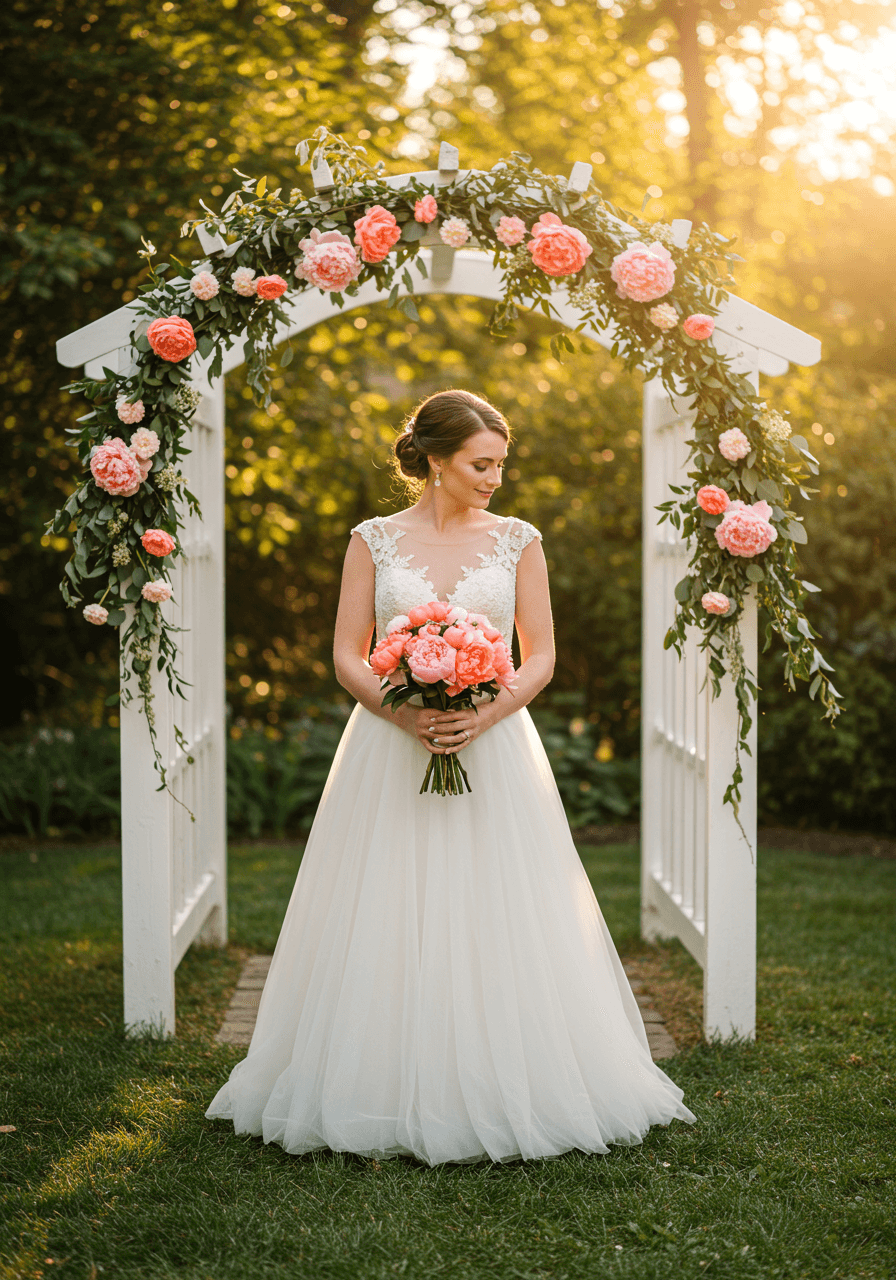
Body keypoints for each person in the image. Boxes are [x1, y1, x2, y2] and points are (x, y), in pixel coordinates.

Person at [206, 388, 696, 1164]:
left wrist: (484, 712)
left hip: (494, 744)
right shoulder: (372, 540)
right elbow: (346, 652)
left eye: (501, 463)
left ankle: (512, 1069)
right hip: (387, 747)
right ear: (435, 460)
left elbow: (539, 653)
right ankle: (378, 1070)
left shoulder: (518, 540)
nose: (495, 477)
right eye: (481, 463)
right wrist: (403, 713)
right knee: (385, 899)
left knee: (500, 901)